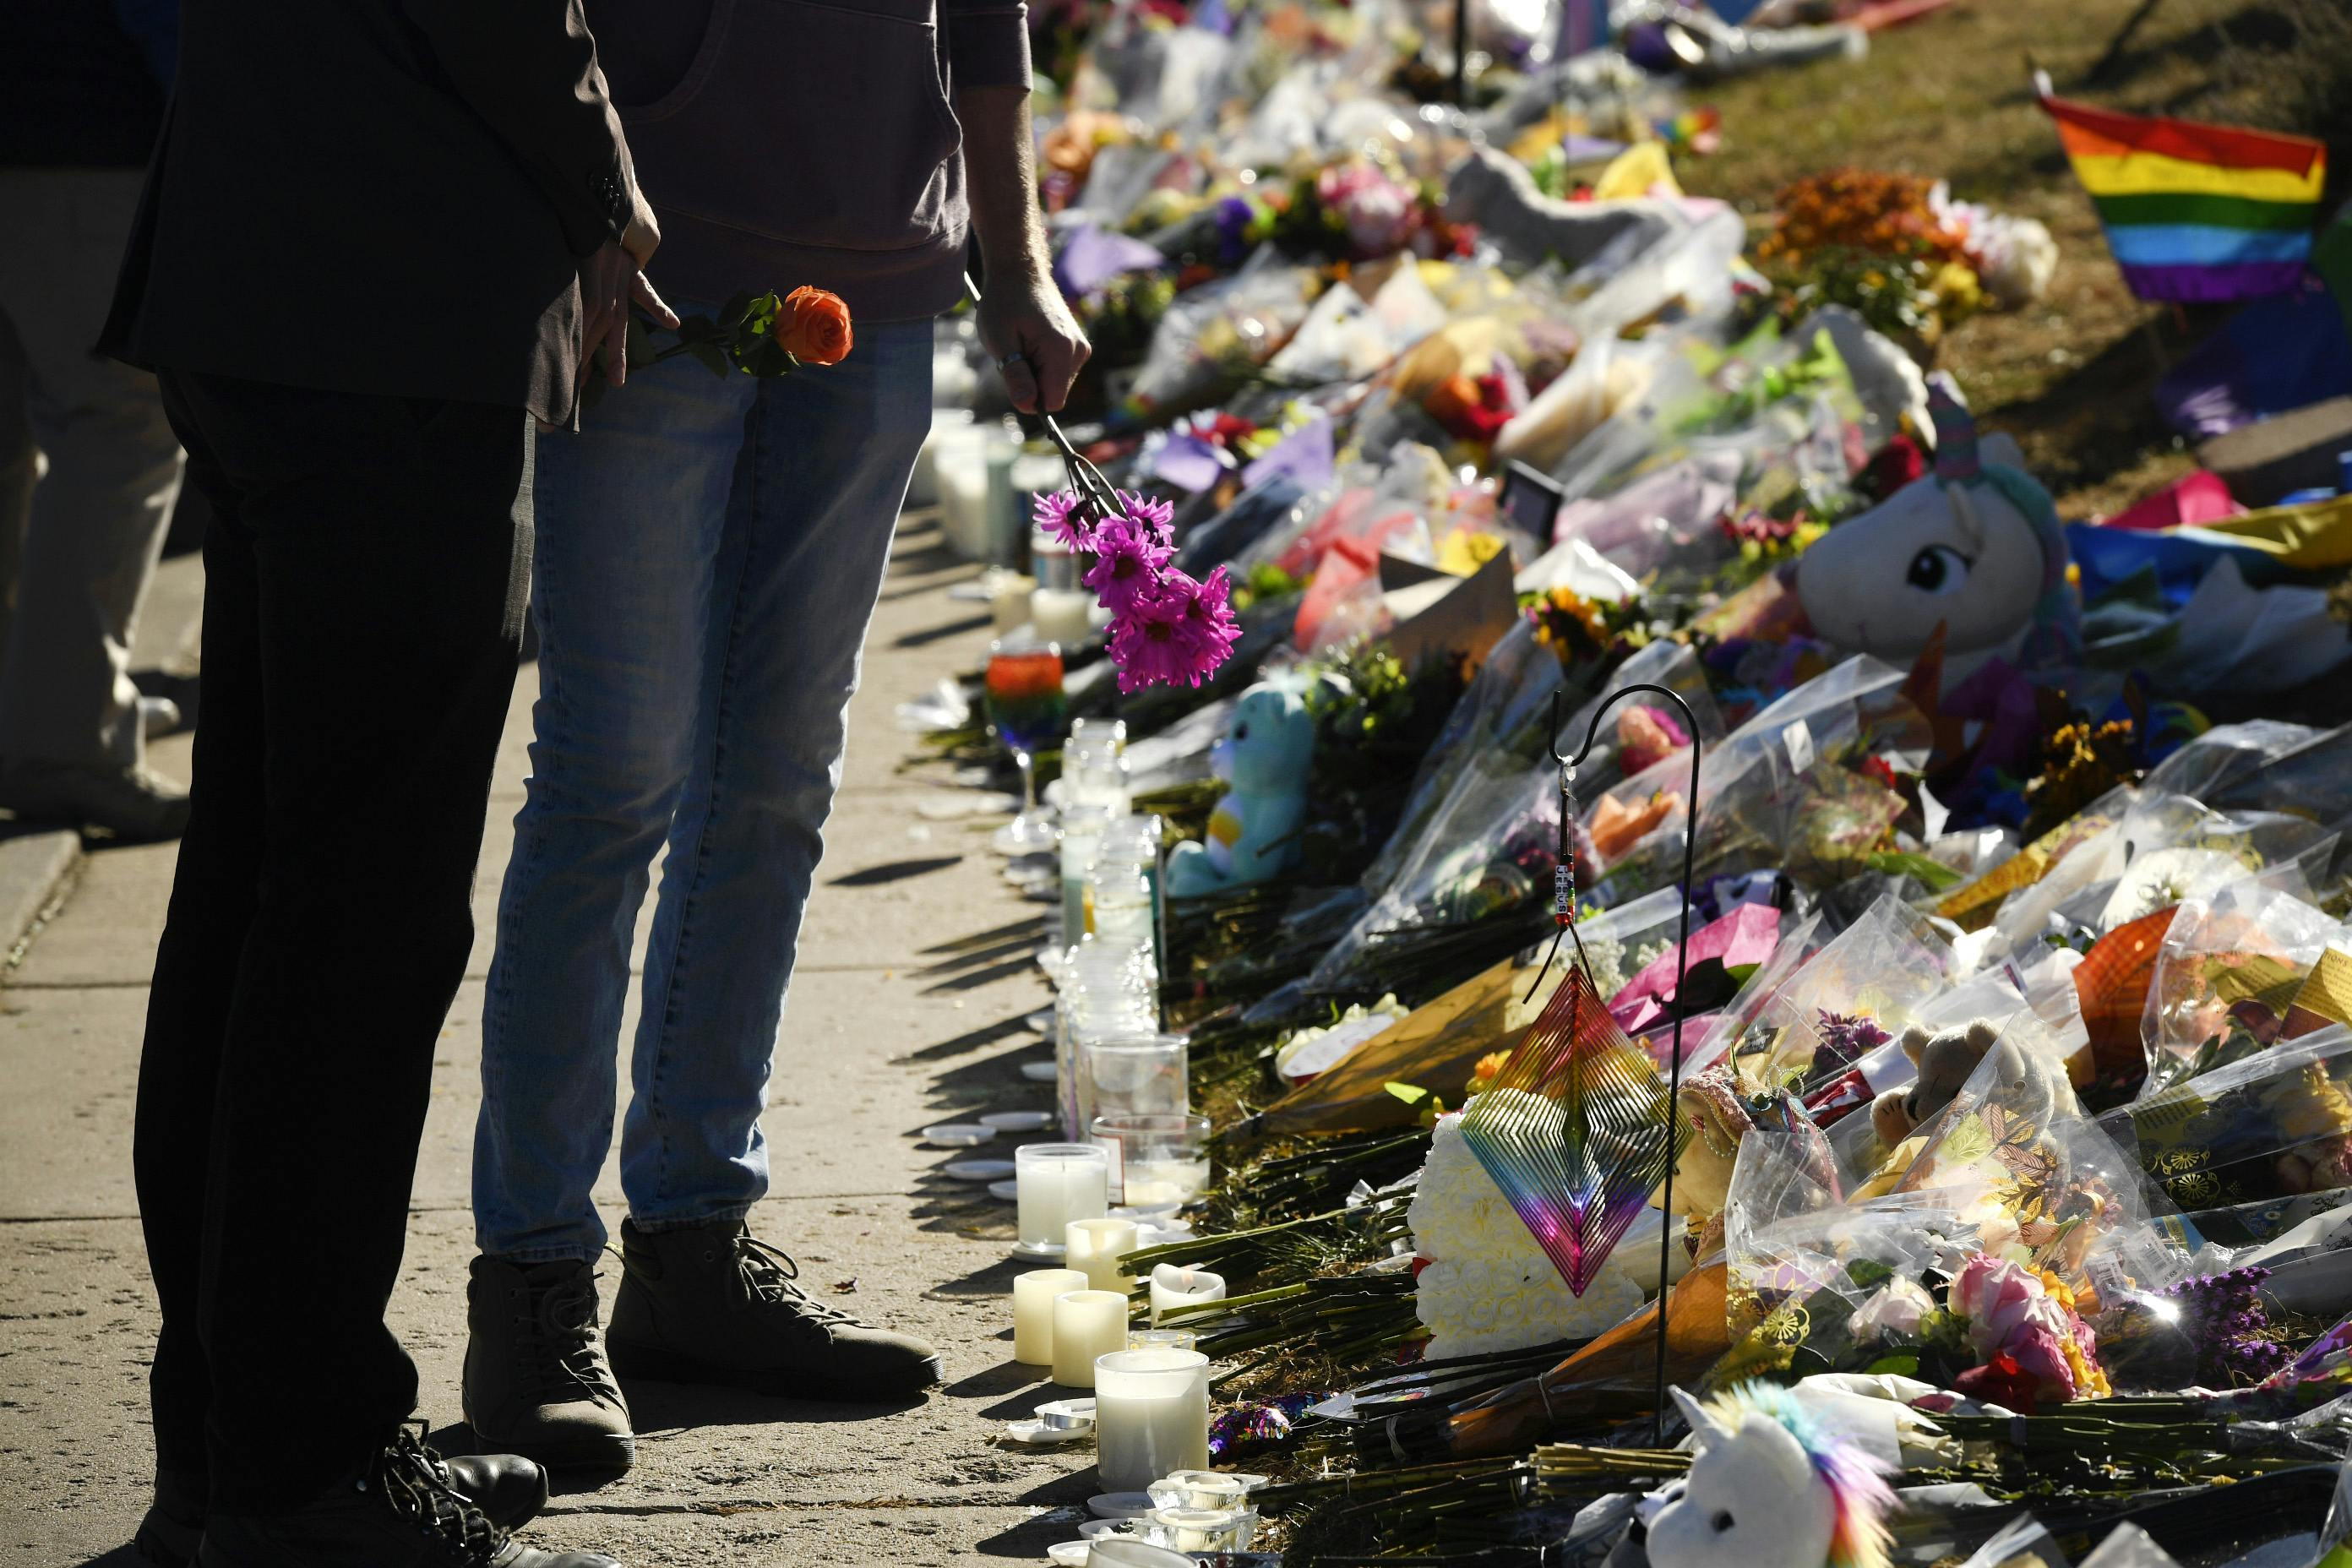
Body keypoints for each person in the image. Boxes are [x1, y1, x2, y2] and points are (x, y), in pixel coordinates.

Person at [460, 0, 1090, 1469]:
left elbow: (984, 31)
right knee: (610, 783)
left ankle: (690, 1247)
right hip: (648, 265)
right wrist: (589, 210)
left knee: (774, 788)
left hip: (878, 283)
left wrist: (1020, 263)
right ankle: (533, 1282)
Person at [103, 2, 670, 1563]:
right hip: (386, 293)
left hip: (275, 267)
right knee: (352, 913)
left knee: (258, 898)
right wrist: (610, 192)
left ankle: (236, 1445)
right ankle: (304, 1460)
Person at [0, 0, 193, 841]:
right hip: (89, 132)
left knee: (21, 432)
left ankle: (44, 703)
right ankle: (67, 735)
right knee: (119, 425)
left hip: (33, 116)